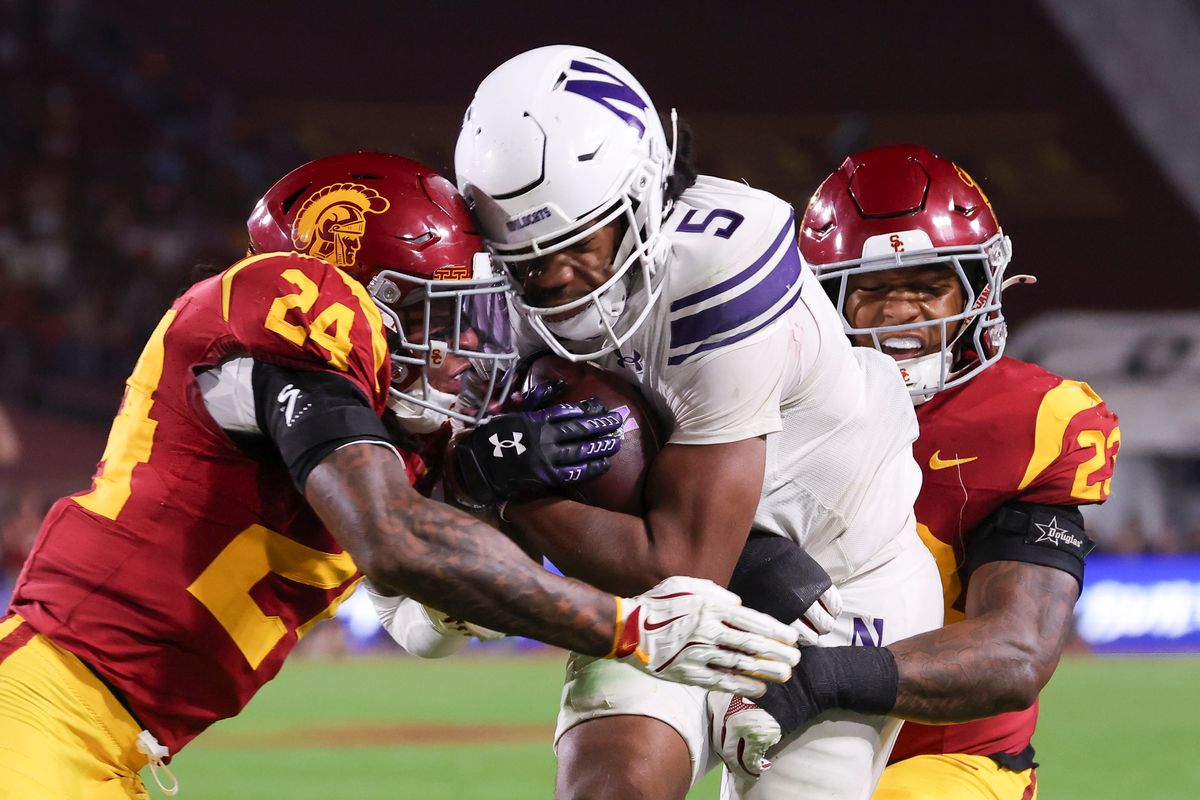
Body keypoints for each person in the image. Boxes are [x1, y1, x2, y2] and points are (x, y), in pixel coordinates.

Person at [0, 152, 803, 799]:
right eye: (433, 318)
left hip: (112, 749)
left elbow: (425, 626)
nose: (459, 356)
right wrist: (632, 629)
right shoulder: (295, 301)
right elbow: (393, 540)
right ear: (365, 296)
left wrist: (479, 489)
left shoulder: (379, 450)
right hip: (39, 720)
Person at [451, 46, 943, 800]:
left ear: (643, 191)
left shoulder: (724, 263)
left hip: (838, 586)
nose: (553, 279)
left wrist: (508, 487)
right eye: (526, 259)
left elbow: (681, 564)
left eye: (579, 243)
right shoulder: (493, 283)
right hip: (681, 569)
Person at [721, 144, 1120, 799]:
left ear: (977, 287)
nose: (902, 312)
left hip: (946, 752)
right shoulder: (760, 399)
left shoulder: (1030, 420)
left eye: (929, 286)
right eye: (871, 289)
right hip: (780, 711)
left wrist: (826, 677)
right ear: (821, 303)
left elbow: (1017, 652)